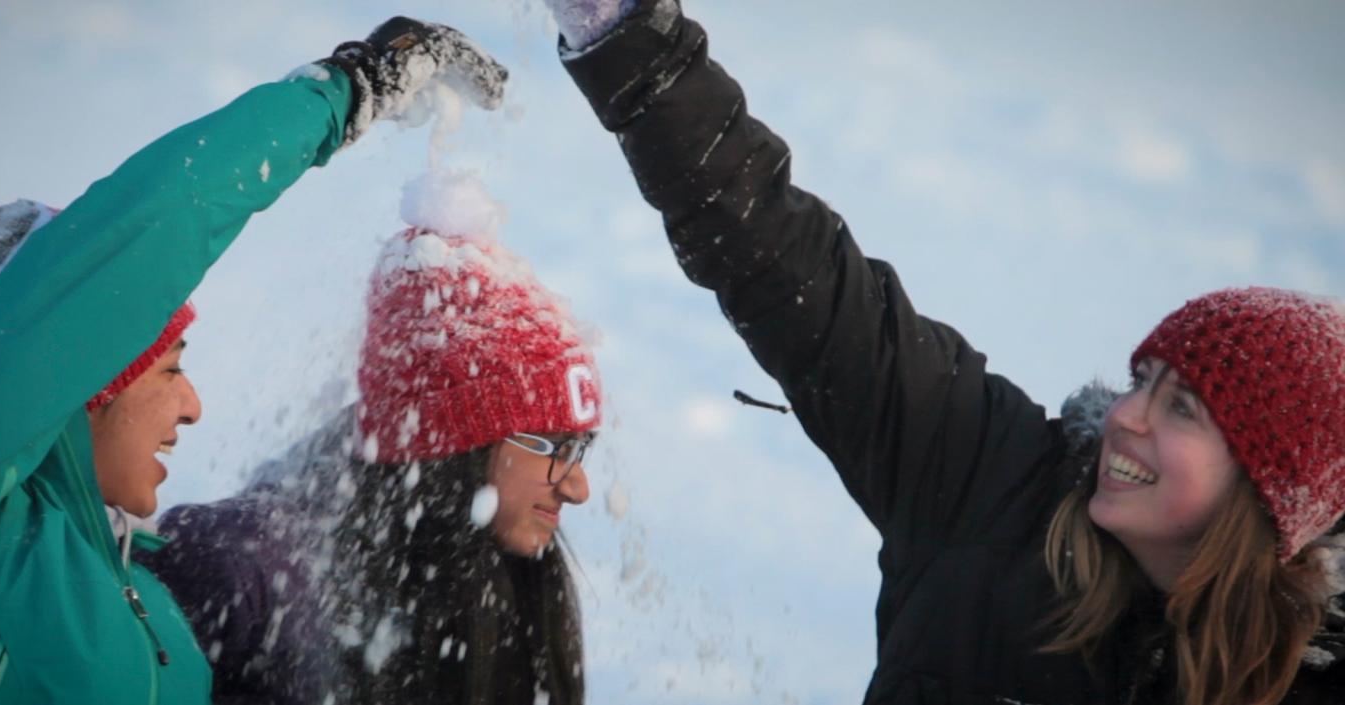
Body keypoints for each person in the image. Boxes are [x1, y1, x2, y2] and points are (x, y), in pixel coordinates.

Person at [536, 1, 1345, 703]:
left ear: (1272, 491)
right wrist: (626, 36)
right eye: (1144, 380)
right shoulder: (985, 479)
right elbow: (789, 264)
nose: (1126, 416)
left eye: (1181, 408)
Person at [0, 18, 505, 705]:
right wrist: (344, 92)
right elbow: (142, 234)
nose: (193, 405)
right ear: (75, 377)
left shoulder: (119, 567)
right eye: (169, 369)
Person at [142, 175, 602, 705]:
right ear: (449, 444)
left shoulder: (509, 576)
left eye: (580, 446)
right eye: (551, 446)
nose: (578, 488)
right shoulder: (240, 568)